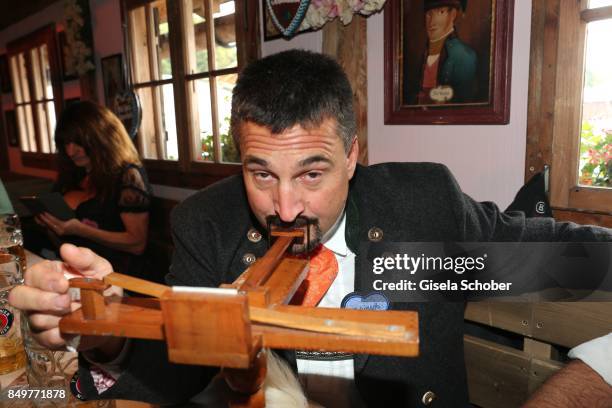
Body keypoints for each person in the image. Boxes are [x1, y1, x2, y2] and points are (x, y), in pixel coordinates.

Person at [9, 50, 612, 407]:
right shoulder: (208, 224)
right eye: (261, 173)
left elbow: (565, 259)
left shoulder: (421, 205)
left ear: (353, 155)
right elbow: (171, 373)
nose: (287, 206)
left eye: (313, 172)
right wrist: (105, 330)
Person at [35, 101, 152, 278]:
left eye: (78, 143)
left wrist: (81, 230)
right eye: (65, 144)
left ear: (101, 139)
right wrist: (48, 222)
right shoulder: (72, 174)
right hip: (72, 266)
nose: (71, 151)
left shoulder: (128, 176)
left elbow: (137, 243)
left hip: (116, 273)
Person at [413, 0, 477, 104]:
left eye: (441, 12)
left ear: (453, 15)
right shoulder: (425, 53)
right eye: (429, 14)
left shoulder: (464, 56)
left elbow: (463, 103)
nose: (432, 22)